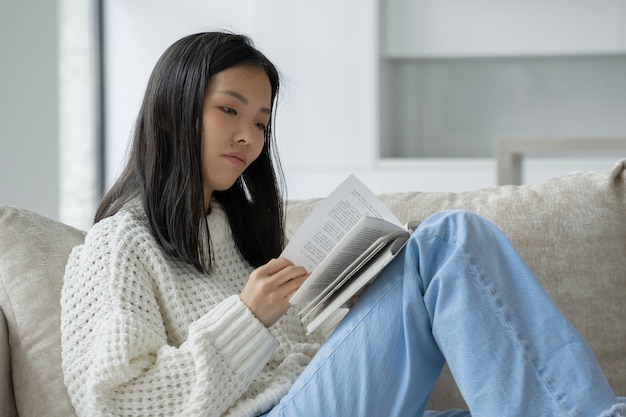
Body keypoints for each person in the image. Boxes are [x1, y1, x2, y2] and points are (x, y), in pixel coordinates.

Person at [60, 31, 625, 417]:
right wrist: (247, 319)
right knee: (448, 241)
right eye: (229, 110)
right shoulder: (117, 243)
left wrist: (351, 319)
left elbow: (287, 363)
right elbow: (115, 403)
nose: (249, 138)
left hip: (306, 399)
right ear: (169, 111)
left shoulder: (236, 231)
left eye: (260, 122)